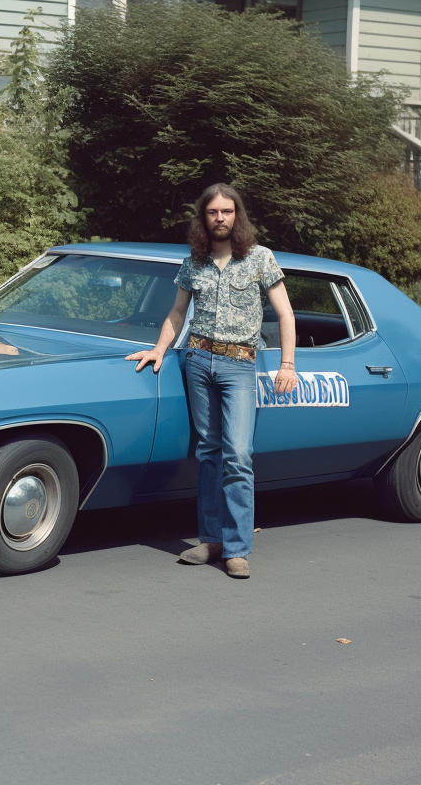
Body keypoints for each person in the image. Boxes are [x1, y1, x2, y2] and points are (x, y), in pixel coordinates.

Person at [126, 183, 298, 579]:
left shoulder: (259, 258)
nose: (220, 218)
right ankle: (210, 541)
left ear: (238, 215)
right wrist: (159, 349)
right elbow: (176, 312)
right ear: (203, 218)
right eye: (212, 212)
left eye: (227, 211)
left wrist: (287, 365)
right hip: (198, 362)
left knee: (238, 455)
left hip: (239, 365)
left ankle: (237, 549)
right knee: (209, 453)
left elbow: (286, 315)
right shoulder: (194, 262)